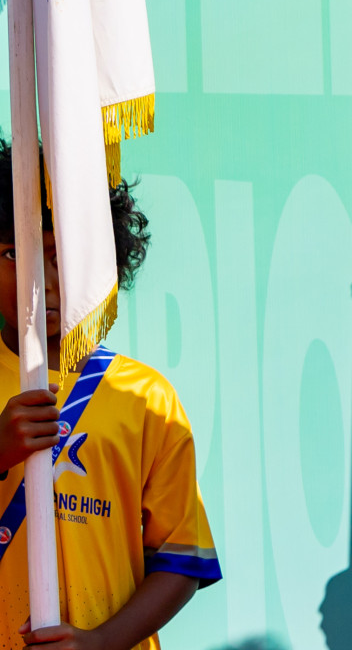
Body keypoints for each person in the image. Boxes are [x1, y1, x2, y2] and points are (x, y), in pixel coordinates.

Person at [0, 142, 221, 650]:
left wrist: (99, 643)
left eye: (60, 256)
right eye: (15, 253)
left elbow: (180, 559)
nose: (41, 281)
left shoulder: (147, 400)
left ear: (104, 260)